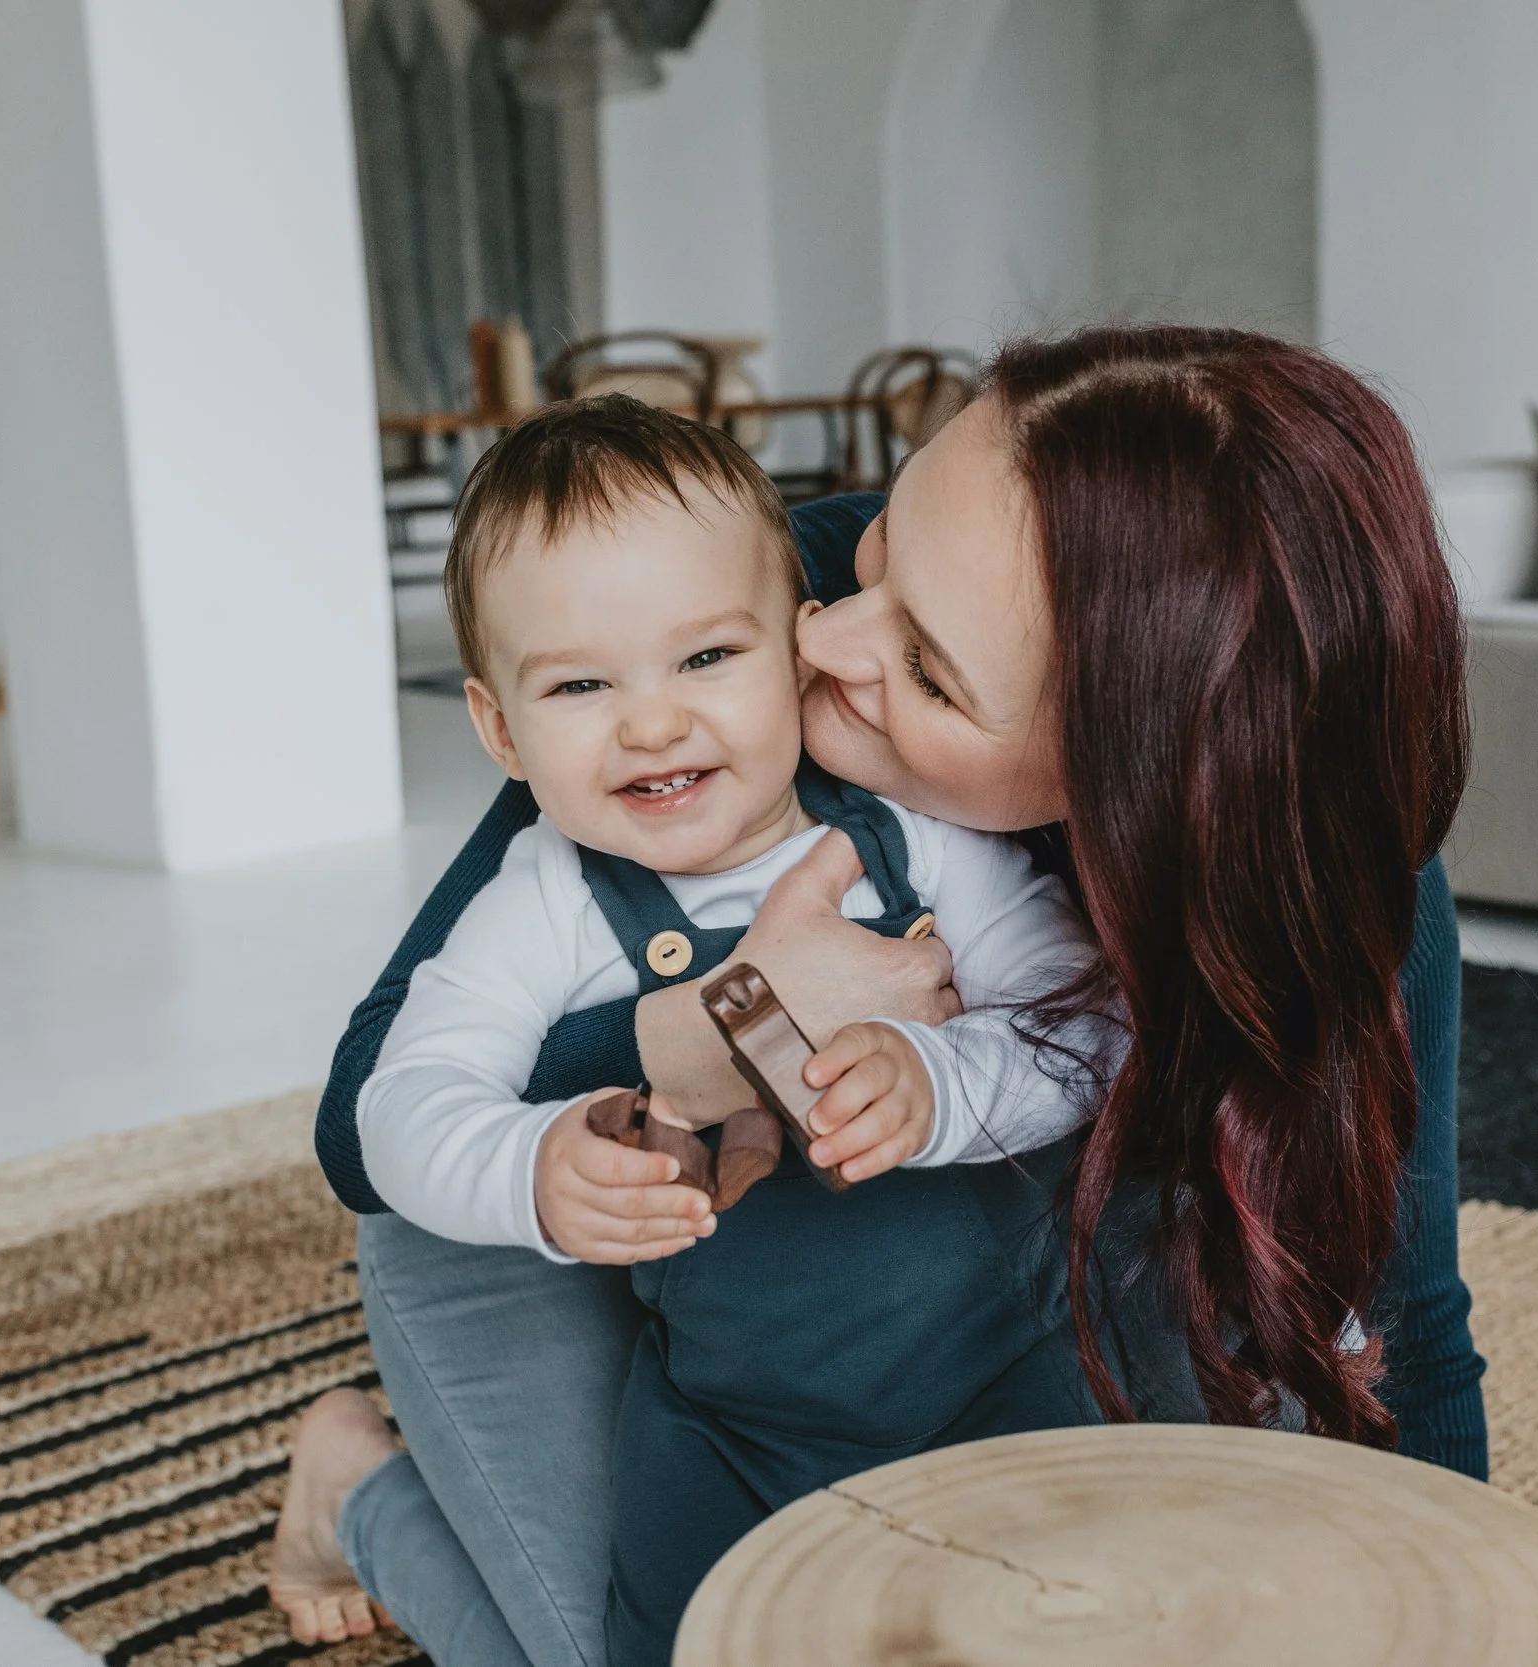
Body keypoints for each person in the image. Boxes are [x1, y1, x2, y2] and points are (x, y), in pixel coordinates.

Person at [269, 325, 1486, 1667]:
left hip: (965, 1313)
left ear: (1121, 786)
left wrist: (1467, 1615)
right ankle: (358, 1490)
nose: (818, 640)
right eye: (877, 552)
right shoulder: (689, 601)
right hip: (562, 1239)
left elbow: (1407, 1309)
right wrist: (725, 1024)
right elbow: (371, 1119)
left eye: (930, 670)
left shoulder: (1298, 856)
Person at [339, 393, 1108, 1664]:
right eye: (580, 683)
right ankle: (359, 1496)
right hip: (732, 1427)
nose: (652, 722)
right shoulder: (546, 898)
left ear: (797, 649)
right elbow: (396, 1104)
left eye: (706, 659)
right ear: (499, 728)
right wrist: (530, 1167)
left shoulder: (910, 834)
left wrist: (940, 1081)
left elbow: (1083, 1023)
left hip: (1008, 1373)